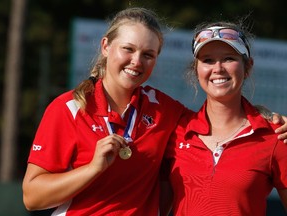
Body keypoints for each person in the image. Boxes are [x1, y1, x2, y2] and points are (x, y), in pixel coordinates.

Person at [22, 8, 287, 215]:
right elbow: (32, 198)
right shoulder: (70, 107)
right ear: (106, 46)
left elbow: (223, 117)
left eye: (148, 54)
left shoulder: (167, 112)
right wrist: (92, 169)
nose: (136, 61)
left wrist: (266, 116)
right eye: (128, 49)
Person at [163, 21, 287, 215]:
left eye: (229, 58)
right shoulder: (176, 130)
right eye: (208, 60)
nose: (218, 68)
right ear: (196, 69)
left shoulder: (275, 135)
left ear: (248, 67)